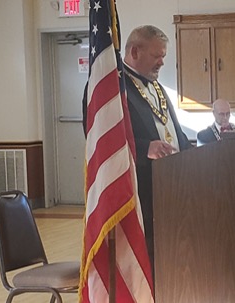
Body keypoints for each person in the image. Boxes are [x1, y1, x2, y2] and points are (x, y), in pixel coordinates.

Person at [83, 25, 193, 280]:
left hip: (171, 190)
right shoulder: (111, 88)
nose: (162, 61)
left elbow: (174, 131)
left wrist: (194, 155)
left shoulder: (157, 88)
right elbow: (101, 140)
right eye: (157, 55)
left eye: (163, 55)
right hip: (137, 191)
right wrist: (145, 148)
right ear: (134, 51)